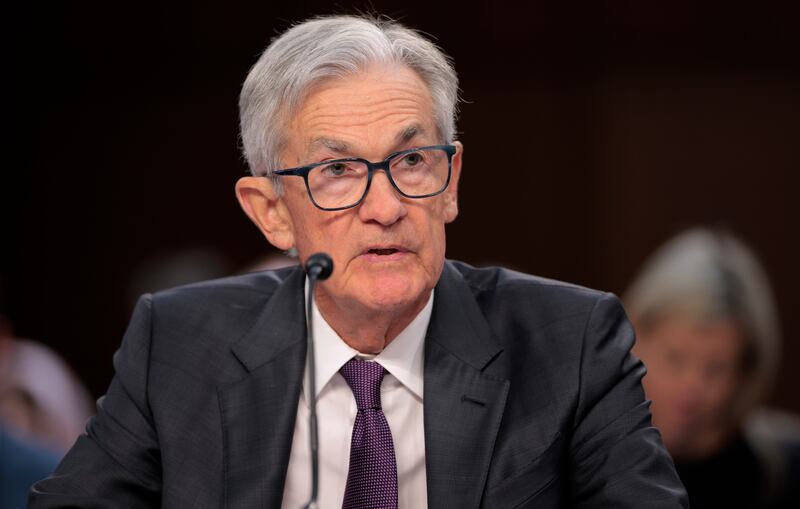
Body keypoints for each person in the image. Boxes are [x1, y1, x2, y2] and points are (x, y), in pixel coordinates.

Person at [29, 14, 687, 508]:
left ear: (451, 180)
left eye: (410, 160)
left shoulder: (571, 343)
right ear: (271, 210)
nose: (386, 205)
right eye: (339, 169)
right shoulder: (177, 347)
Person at [624, 228, 800, 508]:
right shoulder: (586, 465)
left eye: (716, 369)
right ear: (633, 337)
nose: (690, 388)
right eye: (675, 358)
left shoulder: (780, 477)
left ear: (746, 372)